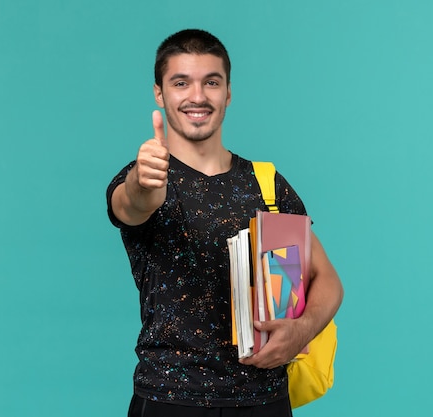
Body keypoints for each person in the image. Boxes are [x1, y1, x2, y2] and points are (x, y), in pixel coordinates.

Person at [106, 29, 343, 417]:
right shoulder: (145, 177)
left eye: (210, 82)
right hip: (169, 401)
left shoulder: (267, 183)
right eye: (180, 83)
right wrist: (143, 182)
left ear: (227, 93)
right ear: (159, 94)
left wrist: (302, 330)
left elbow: (328, 280)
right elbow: (132, 204)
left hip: (265, 401)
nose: (197, 96)